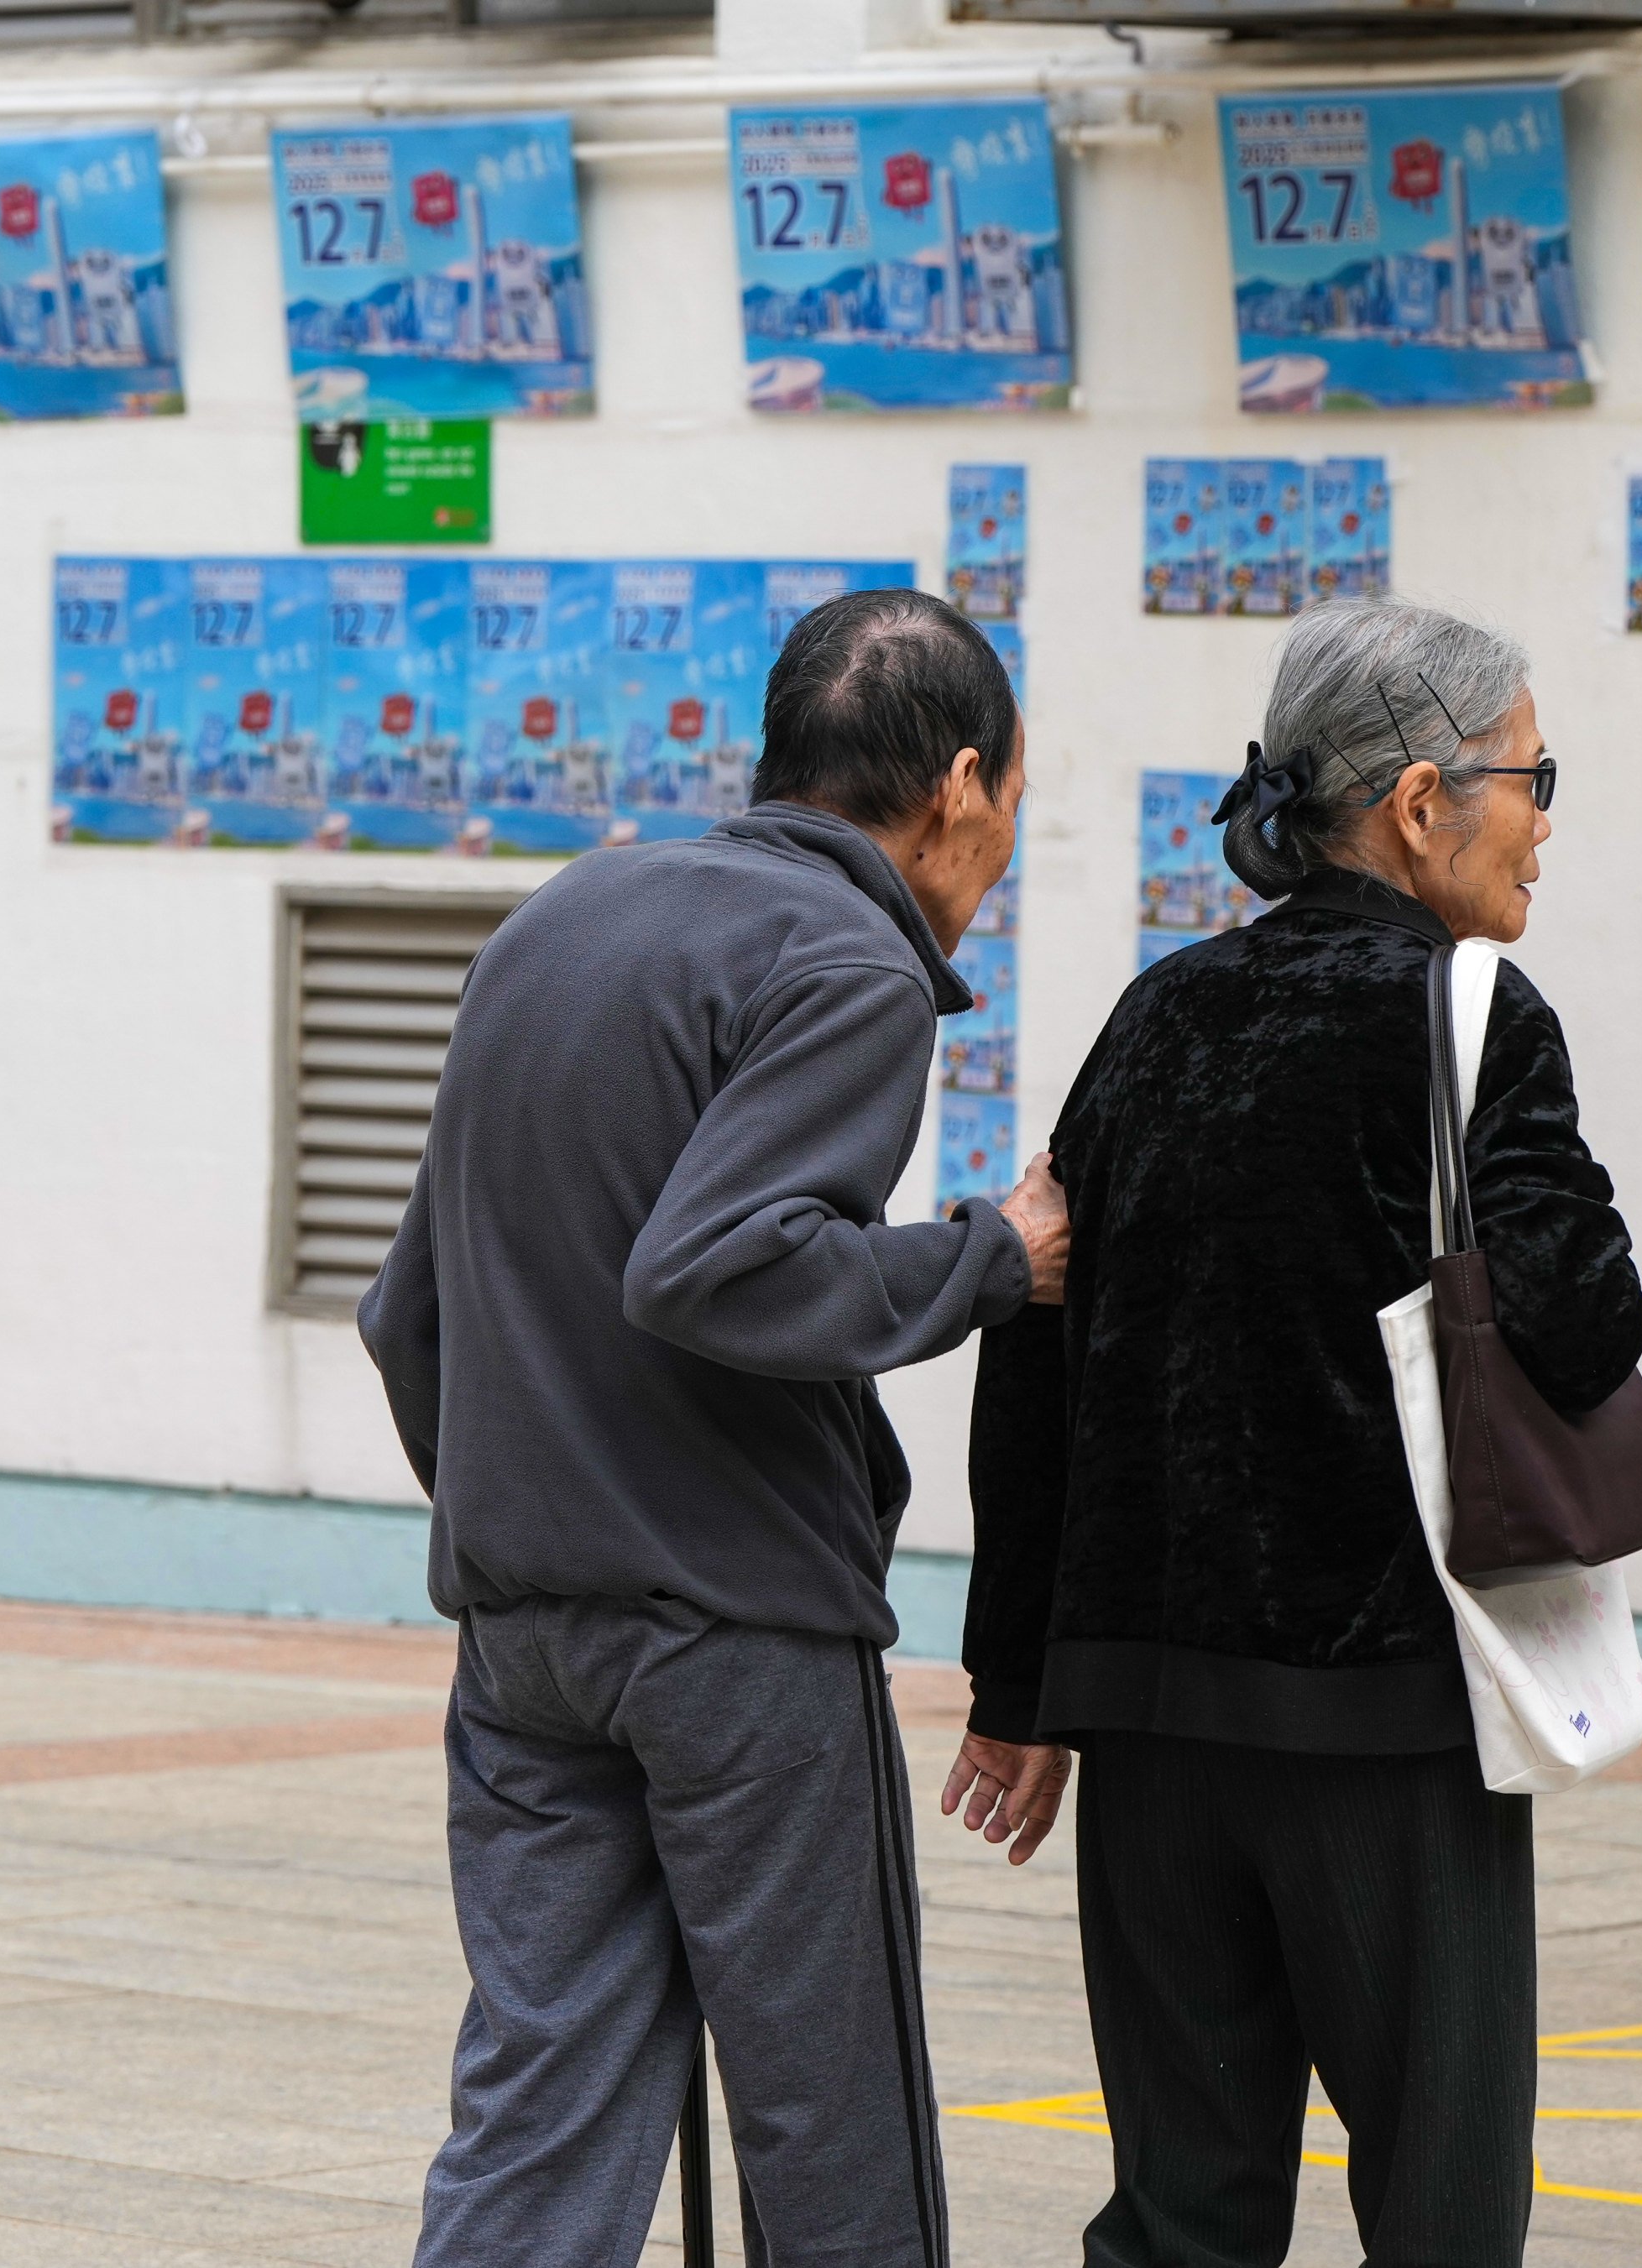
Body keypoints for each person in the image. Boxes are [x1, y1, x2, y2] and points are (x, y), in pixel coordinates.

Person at [359, 586, 1069, 2268]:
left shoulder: (558, 920)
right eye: (1015, 811)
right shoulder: (850, 961)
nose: (1000, 857)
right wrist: (993, 1258)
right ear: (959, 785)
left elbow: (406, 1315)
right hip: (736, 1638)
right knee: (829, 2124)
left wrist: (530, 1507)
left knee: (540, 2106)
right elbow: (719, 1264)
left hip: (523, 1633)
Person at [953, 598, 1642, 2267]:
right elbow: (1579, 1323)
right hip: (1385, 1721)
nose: (1545, 820)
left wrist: (1018, 1686)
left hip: (1141, 1727)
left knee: (1181, 2216)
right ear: (1421, 804)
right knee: (1439, 2204)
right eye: (1531, 775)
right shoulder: (1474, 1013)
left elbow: (1035, 1355)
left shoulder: (1154, 1017)